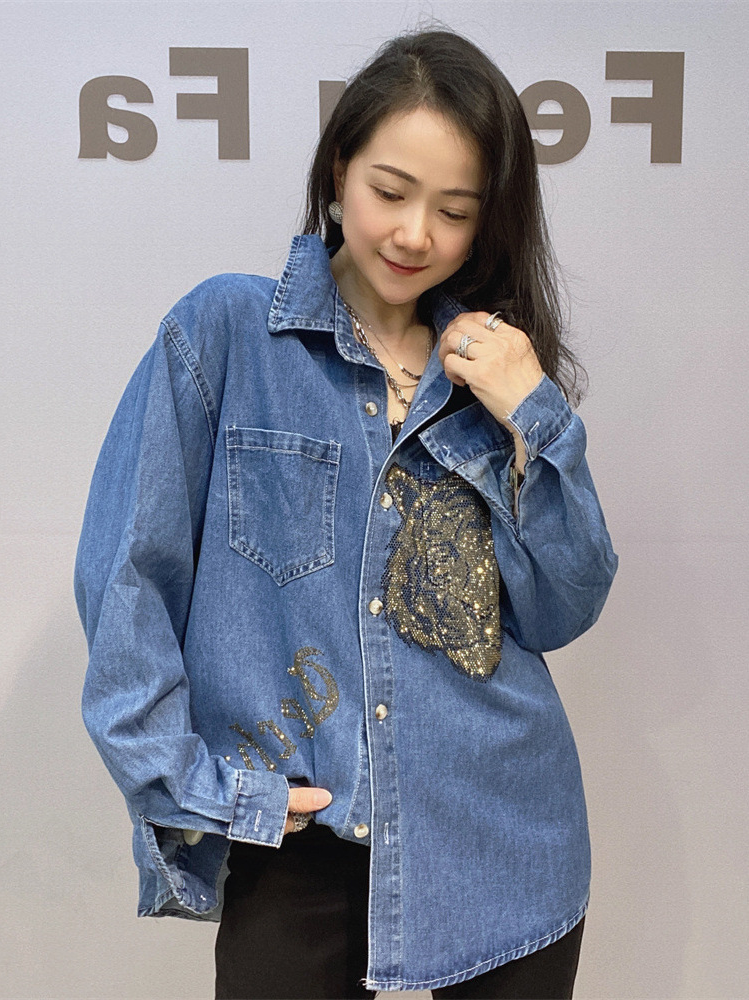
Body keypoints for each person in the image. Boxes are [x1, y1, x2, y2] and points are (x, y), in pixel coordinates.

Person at [74, 26, 618, 1000]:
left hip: (505, 849)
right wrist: (199, 788)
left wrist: (535, 412)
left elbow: (560, 609)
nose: (415, 234)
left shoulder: (489, 376)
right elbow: (127, 581)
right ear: (338, 172)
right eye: (390, 192)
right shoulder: (226, 333)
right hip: (305, 842)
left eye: (454, 211)